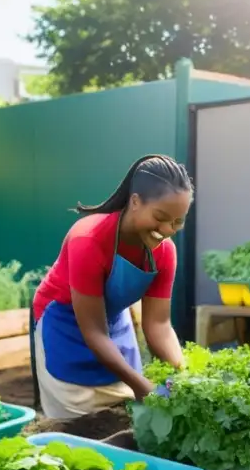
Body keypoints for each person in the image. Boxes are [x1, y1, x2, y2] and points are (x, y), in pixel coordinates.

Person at [30, 154, 192, 419]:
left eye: (178, 221)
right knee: (77, 422)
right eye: (161, 217)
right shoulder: (88, 239)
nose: (167, 230)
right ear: (136, 201)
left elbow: (159, 325)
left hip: (113, 321)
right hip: (64, 324)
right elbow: (93, 331)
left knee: (126, 413)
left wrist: (181, 375)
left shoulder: (165, 253)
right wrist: (140, 385)